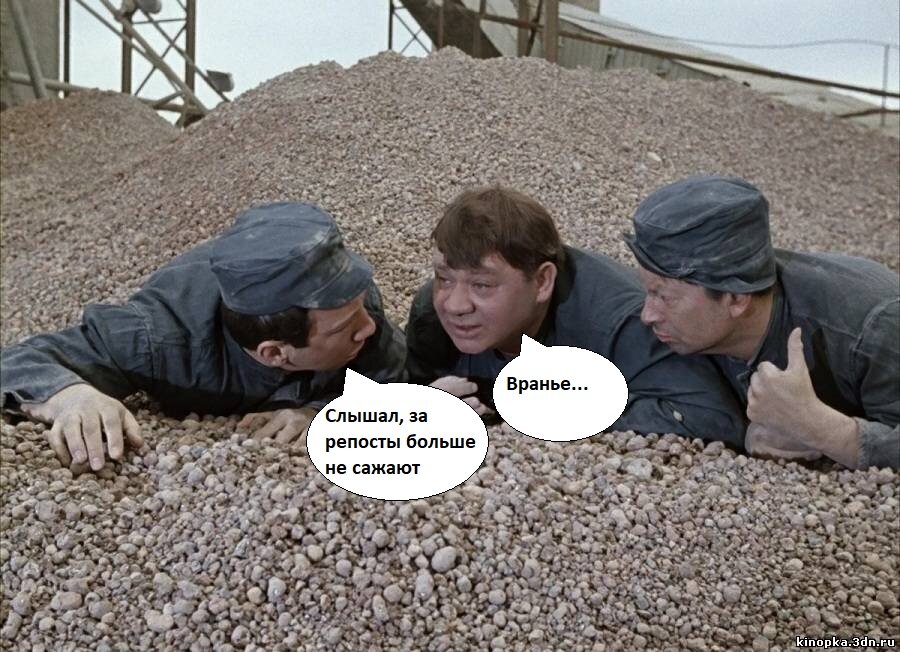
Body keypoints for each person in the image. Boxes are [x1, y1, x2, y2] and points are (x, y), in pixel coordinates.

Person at [0, 202, 406, 471]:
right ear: (275, 353)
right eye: (344, 328)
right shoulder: (160, 338)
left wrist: (315, 409)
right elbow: (20, 361)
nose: (368, 327)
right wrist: (72, 396)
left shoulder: (349, 302)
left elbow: (393, 374)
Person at [406, 185, 747, 442]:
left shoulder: (623, 323)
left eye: (482, 285)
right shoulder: (432, 314)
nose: (455, 305)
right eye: (444, 278)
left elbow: (713, 418)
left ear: (542, 282)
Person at [625, 175, 899, 469]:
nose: (647, 315)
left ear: (735, 298)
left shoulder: (873, 328)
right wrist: (750, 431)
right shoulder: (694, 322)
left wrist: (823, 429)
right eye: (648, 291)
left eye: (663, 296)